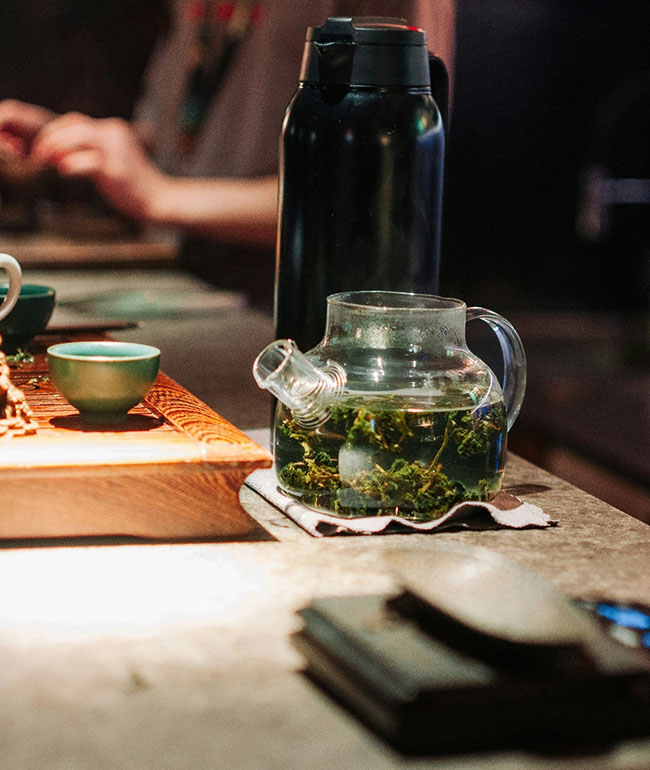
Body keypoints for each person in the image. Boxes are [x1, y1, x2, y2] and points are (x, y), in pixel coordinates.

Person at [0, 0, 455, 303]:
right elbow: (182, 136)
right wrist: (71, 140)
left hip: (298, 319)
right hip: (193, 285)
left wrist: (159, 195)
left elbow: (375, 200)